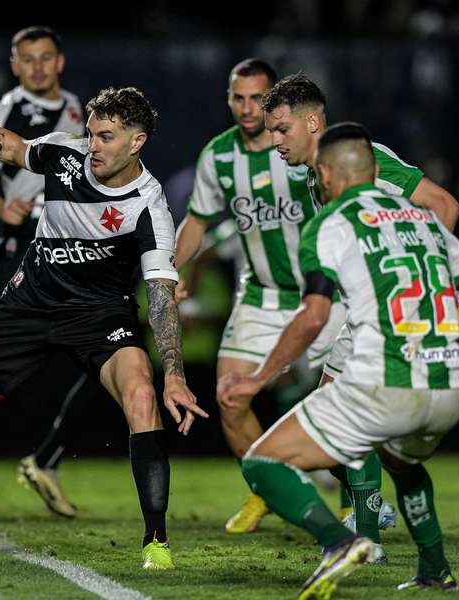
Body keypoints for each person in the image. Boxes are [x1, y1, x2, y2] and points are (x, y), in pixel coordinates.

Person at [0, 85, 207, 569]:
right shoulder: (66, 153)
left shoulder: (149, 207)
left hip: (100, 313)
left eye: (106, 137)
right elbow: (8, 144)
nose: (93, 145)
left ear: (137, 141)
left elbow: (161, 296)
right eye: (91, 133)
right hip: (27, 303)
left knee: (141, 396)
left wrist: (175, 372)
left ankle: (156, 543)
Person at [219, 122, 459, 597]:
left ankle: (341, 540)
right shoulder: (425, 220)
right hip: (450, 385)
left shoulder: (328, 224)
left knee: (263, 461)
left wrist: (259, 378)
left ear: (327, 175)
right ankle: (435, 569)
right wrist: (455, 343)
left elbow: (313, 318)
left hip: (386, 382)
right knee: (401, 461)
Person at [175, 59, 392, 536]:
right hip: (261, 294)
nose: (249, 108)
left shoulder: (309, 152)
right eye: (239, 98)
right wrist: (173, 268)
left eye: (259, 98)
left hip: (327, 299)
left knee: (341, 408)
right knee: (230, 398)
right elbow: (198, 222)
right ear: (228, 101)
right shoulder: (219, 157)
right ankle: (273, 489)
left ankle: (364, 501)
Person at [0, 25, 86, 519]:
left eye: (45, 57)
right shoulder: (8, 110)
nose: (37, 67)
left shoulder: (78, 108)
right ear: (15, 66)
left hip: (68, 250)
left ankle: (47, 460)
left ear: (60, 62)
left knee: (113, 354)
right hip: (20, 250)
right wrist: (1, 210)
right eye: (27, 59)